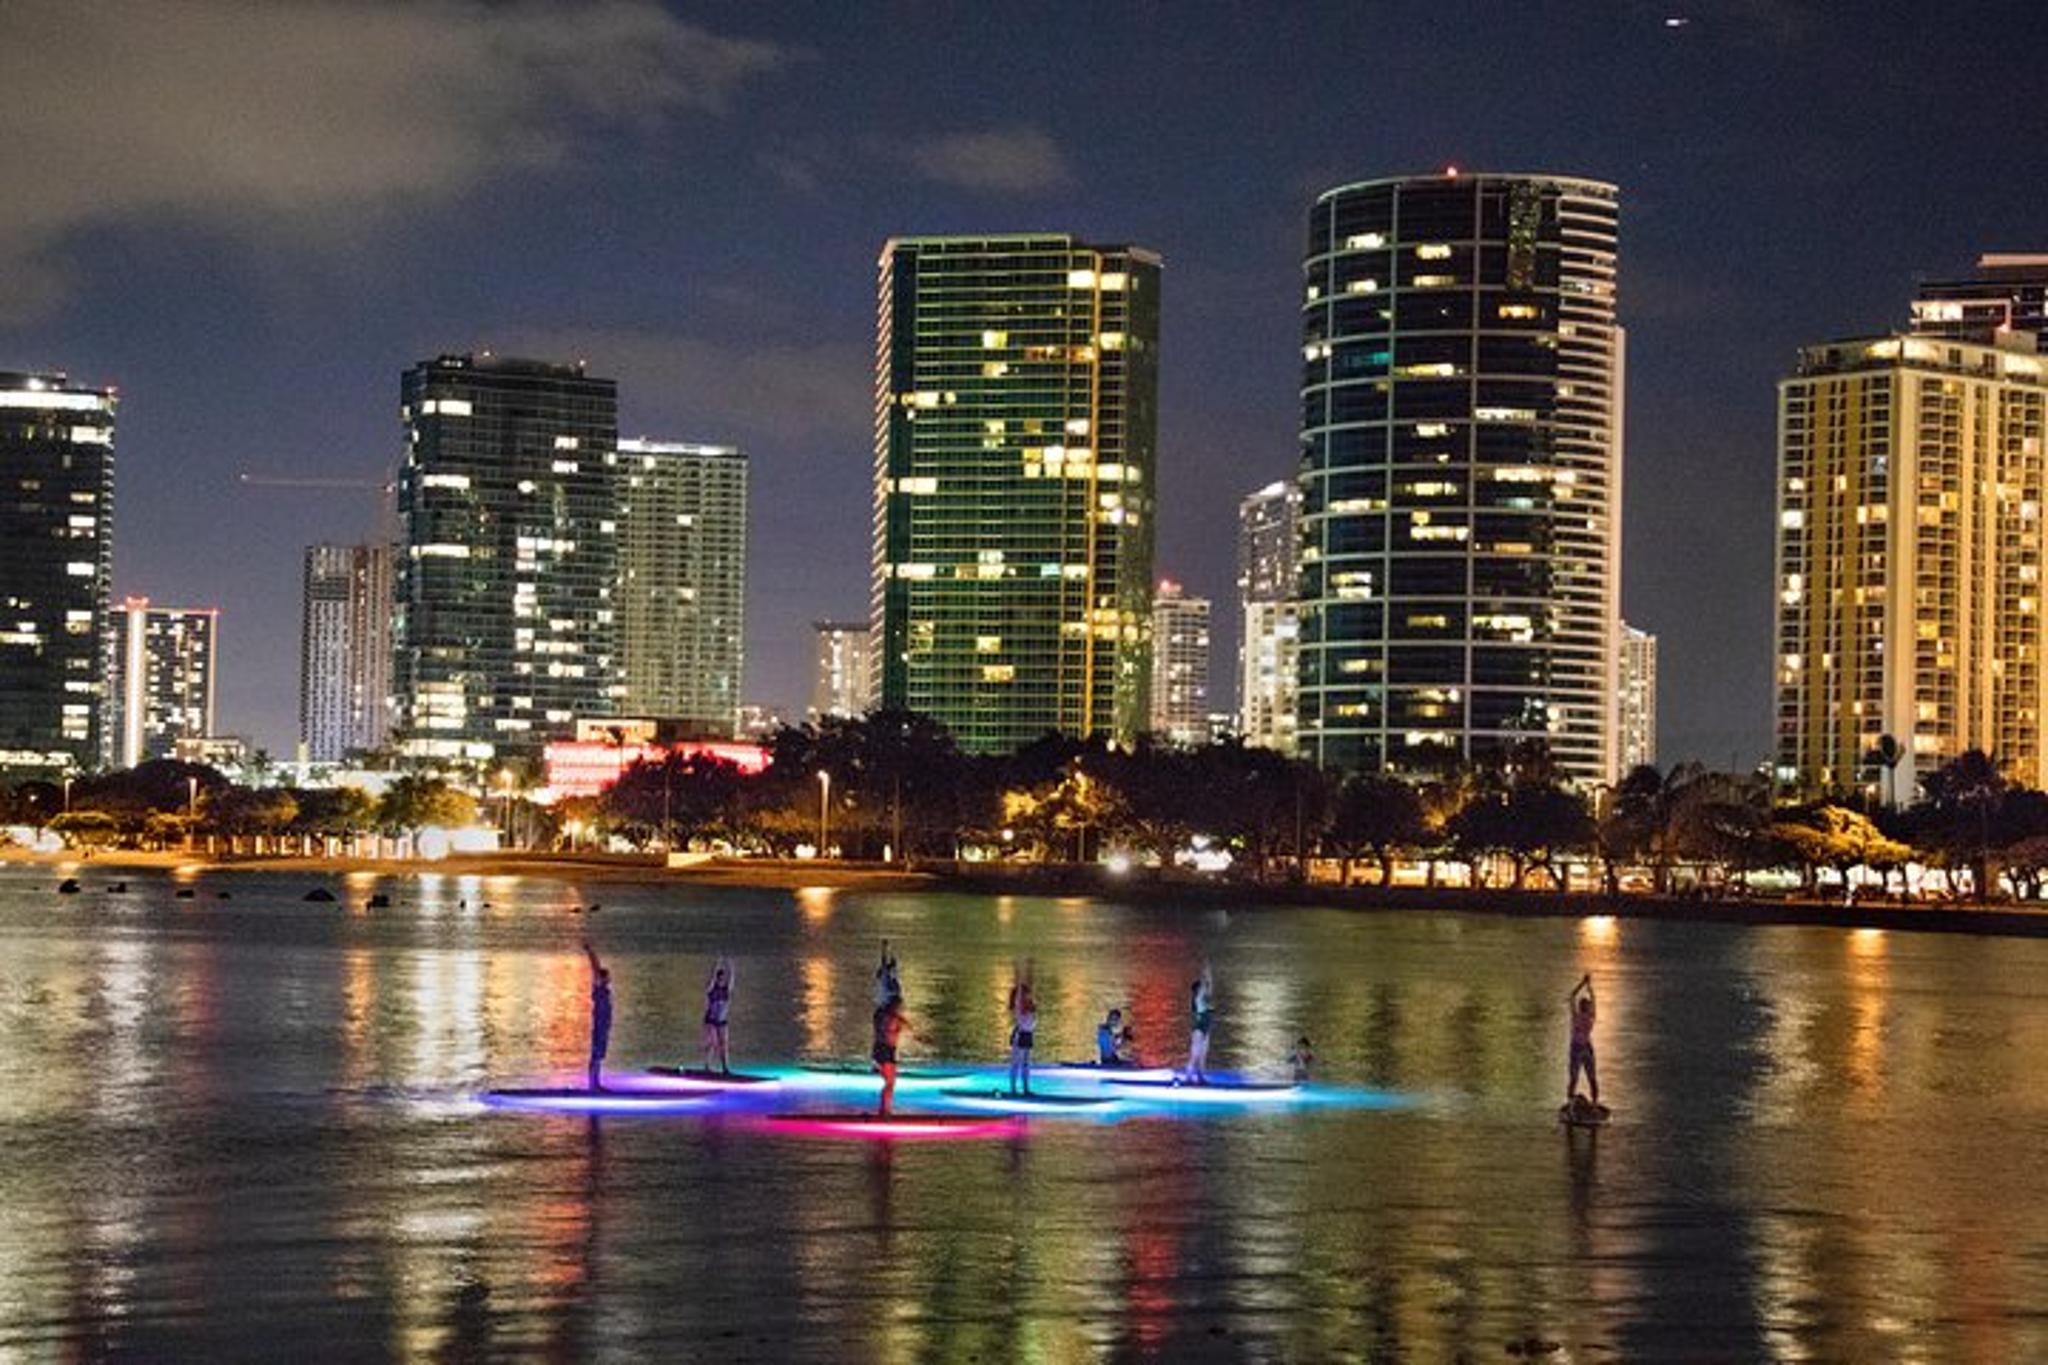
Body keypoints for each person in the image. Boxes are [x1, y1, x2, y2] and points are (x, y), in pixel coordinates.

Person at [872, 990, 916, 1116]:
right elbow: (912, 1031)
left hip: (877, 1049)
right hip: (887, 1051)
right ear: (896, 1006)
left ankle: (884, 1109)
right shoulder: (896, 1019)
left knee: (889, 1082)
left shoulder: (878, 1015)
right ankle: (885, 1111)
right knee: (890, 1083)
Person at [584, 941, 612, 1091]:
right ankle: (593, 1085)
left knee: (600, 1056)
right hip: (599, 1026)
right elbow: (595, 968)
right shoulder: (599, 988)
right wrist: (591, 952)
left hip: (604, 1027)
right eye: (607, 977)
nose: (609, 979)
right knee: (595, 1056)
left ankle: (596, 1083)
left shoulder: (605, 990)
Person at [1567, 974, 1599, 1107]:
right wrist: (1585, 984)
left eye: (1585, 1005)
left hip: (1583, 1047)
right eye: (1585, 1005)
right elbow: (1573, 997)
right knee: (1578, 1079)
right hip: (1580, 1048)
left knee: (1589, 1078)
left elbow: (1573, 996)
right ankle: (1573, 1104)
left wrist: (1585, 984)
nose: (1586, 1007)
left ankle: (1593, 1103)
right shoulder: (1583, 1016)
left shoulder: (1586, 1016)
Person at [1182, 964, 1214, 1085]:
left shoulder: (1205, 999)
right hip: (1199, 1029)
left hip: (1206, 1029)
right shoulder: (1198, 998)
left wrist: (1209, 975)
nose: (1205, 989)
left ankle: (1200, 1077)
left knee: (1203, 1055)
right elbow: (1205, 984)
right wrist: (1205, 972)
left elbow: (1209, 987)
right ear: (1197, 990)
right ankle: (1188, 1078)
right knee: (1195, 1054)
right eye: (1202, 988)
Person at [1008, 965, 1037, 1096]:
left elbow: (1030, 989)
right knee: (1016, 1063)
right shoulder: (1019, 1007)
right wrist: (1018, 975)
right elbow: (1019, 991)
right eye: (1025, 995)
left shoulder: (1030, 1006)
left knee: (1026, 1064)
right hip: (1019, 1036)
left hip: (1028, 1035)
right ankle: (1013, 1089)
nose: (1027, 996)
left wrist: (1030, 971)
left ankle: (1026, 1089)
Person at [702, 955, 733, 1074]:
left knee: (724, 1045)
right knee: (713, 1043)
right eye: (719, 979)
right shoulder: (711, 989)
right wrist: (716, 964)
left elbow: (732, 978)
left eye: (723, 979)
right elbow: (711, 979)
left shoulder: (726, 990)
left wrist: (730, 965)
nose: (722, 981)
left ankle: (725, 1068)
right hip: (711, 1021)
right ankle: (707, 1067)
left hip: (722, 1021)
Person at [873, 940, 901, 1007]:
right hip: (891, 998)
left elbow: (885, 963)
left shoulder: (884, 980)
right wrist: (886, 949)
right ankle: (888, 949)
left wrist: (885, 949)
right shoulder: (886, 978)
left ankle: (888, 949)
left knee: (889, 970)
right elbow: (885, 963)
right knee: (889, 970)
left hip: (890, 998)